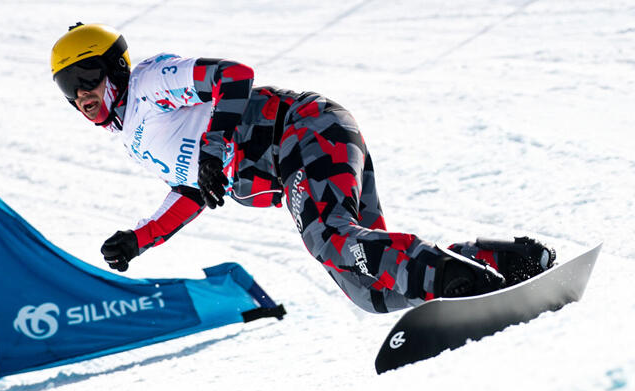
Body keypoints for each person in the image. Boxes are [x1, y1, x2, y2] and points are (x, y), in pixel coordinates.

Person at [50, 23, 556, 313]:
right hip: (294, 157)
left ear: (114, 67)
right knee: (370, 290)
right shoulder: (131, 134)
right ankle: (511, 261)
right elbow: (194, 190)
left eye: (86, 76)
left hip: (302, 129)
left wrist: (213, 147)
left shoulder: (151, 82)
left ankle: (466, 285)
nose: (81, 95)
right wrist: (139, 238)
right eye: (67, 87)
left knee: (329, 238)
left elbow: (234, 77)